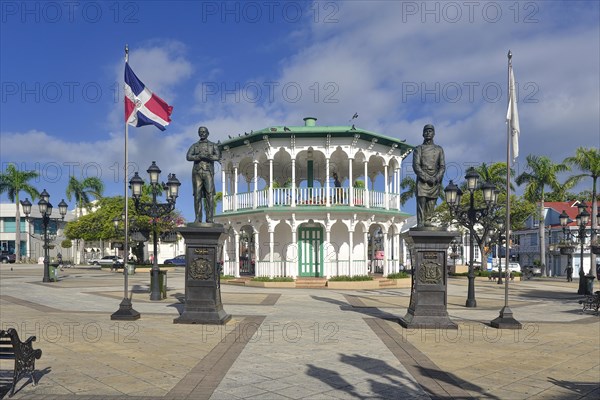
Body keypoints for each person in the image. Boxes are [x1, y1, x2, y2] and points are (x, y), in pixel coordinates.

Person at [412, 124, 445, 228]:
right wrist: (426, 178)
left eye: (430, 131)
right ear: (422, 134)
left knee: (431, 202)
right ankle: (421, 222)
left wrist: (436, 178)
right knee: (421, 201)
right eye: (426, 131)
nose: (428, 133)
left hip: (435, 179)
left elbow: (442, 166)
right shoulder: (418, 149)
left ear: (434, 133)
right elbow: (416, 165)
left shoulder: (439, 149)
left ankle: (428, 221)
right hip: (423, 180)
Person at [187, 126, 221, 223]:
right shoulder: (194, 145)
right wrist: (198, 156)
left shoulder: (213, 145)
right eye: (200, 132)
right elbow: (188, 156)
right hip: (197, 172)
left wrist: (208, 157)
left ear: (207, 133)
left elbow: (218, 156)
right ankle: (198, 218)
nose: (202, 133)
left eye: (204, 132)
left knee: (209, 194)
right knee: (197, 195)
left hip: (208, 172)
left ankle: (209, 218)